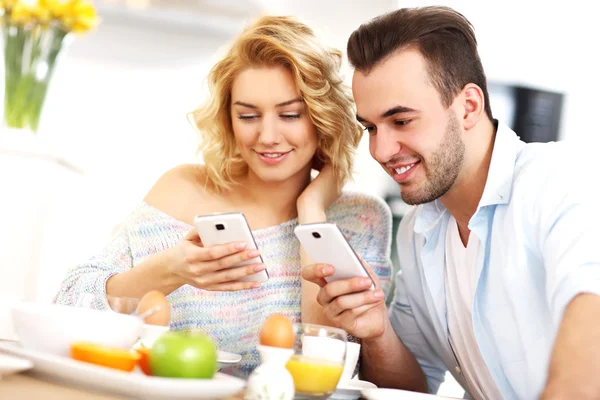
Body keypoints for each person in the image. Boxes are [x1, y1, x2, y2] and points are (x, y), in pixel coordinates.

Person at [55, 15, 392, 376]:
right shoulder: (183, 189)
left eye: (290, 114)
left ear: (322, 116)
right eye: (248, 116)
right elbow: (68, 306)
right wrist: (170, 269)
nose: (267, 136)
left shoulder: (361, 218)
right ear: (228, 118)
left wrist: (311, 214)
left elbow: (326, 367)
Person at [303, 6, 600, 400]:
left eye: (402, 121)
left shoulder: (559, 182)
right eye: (371, 127)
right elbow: (412, 387)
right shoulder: (418, 230)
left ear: (469, 107)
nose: (381, 149)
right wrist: (377, 332)